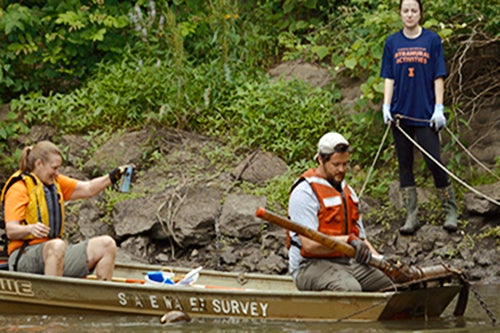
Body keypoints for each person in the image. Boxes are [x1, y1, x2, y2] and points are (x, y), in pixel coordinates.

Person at [380, 0, 458, 235]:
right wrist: (386, 105)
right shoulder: (392, 42)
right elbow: (389, 77)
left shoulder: (432, 40)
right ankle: (411, 216)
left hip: (425, 114)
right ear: (400, 14)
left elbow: (438, 76)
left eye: (414, 10)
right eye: (406, 10)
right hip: (400, 116)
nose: (410, 14)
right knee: (405, 165)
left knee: (434, 161)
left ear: (421, 13)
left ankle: (450, 210)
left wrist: (439, 107)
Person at [1, 140, 128, 280]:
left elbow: (89, 188)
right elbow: (11, 230)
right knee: (57, 246)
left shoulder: (56, 183)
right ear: (39, 164)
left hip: (55, 254)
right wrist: (30, 229)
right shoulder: (19, 188)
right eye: (54, 168)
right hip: (23, 257)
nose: (57, 173)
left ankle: (101, 298)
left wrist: (112, 177)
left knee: (107, 244)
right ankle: (53, 297)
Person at [287, 132, 393, 292]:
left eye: (345, 164)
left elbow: (362, 240)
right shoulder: (304, 193)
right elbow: (310, 246)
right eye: (336, 165)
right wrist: (348, 240)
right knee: (350, 289)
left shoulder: (348, 191)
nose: (341, 170)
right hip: (309, 266)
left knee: (392, 281)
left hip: (346, 262)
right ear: (321, 160)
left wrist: (381, 261)